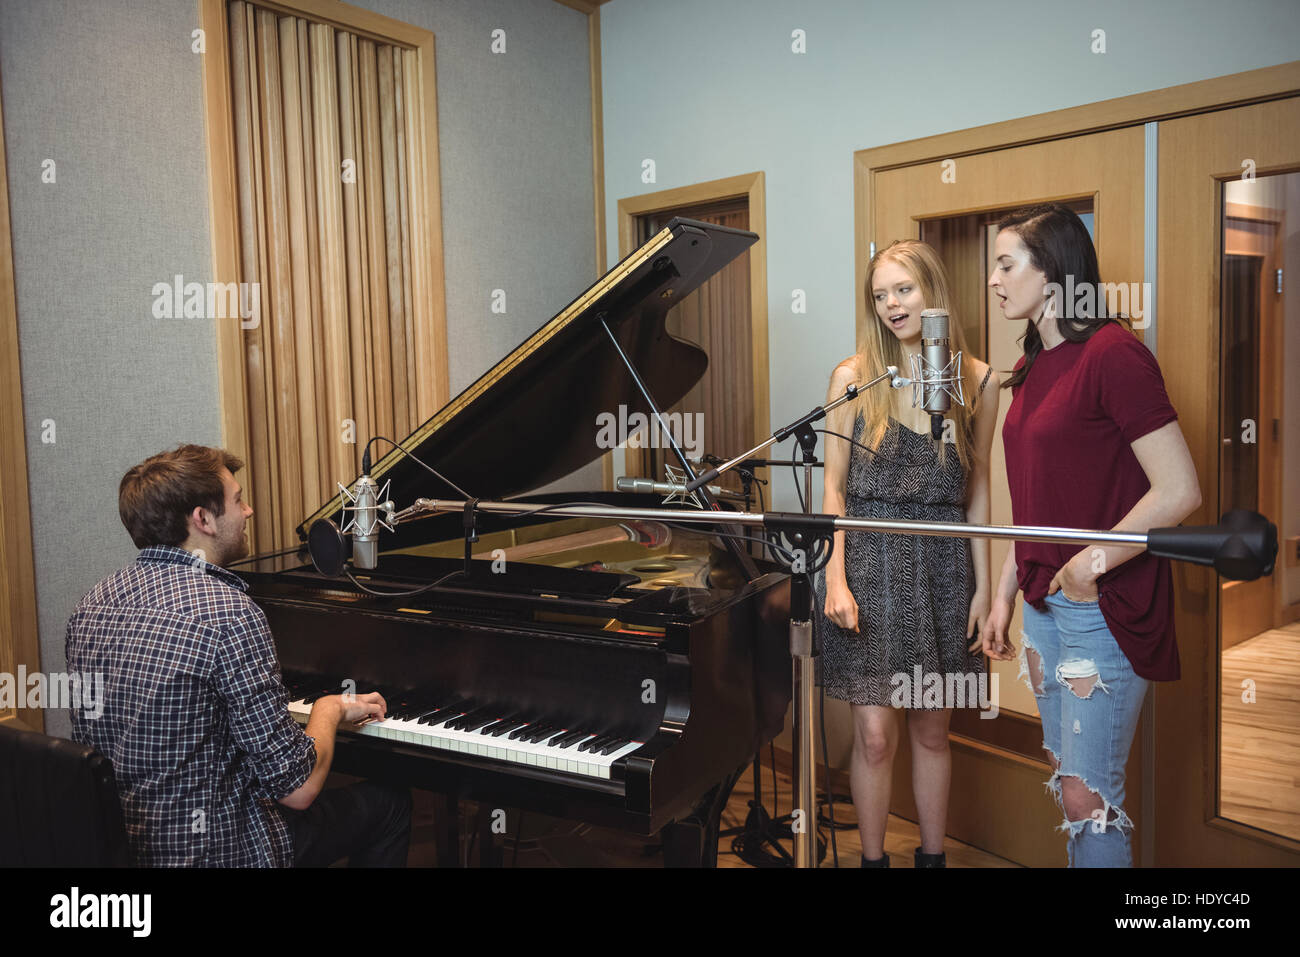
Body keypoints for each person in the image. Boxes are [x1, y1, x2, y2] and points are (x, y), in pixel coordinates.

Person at [981, 203, 1201, 867]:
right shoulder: (1032, 366)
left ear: (1053, 273)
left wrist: (1088, 568)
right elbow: (1033, 504)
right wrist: (1003, 594)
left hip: (1102, 609)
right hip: (1045, 609)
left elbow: (1180, 490)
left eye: (1005, 263)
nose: (993, 279)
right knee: (1069, 777)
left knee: (1087, 793)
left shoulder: (1114, 353)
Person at [66, 444, 411, 867]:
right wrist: (328, 709)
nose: (248, 512)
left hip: (126, 849)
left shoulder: (91, 605)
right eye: (238, 500)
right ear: (203, 519)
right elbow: (298, 789)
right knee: (389, 802)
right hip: (220, 853)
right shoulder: (227, 612)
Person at [819, 240, 999, 868]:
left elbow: (978, 494)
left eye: (904, 290)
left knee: (931, 730)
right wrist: (832, 579)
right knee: (873, 737)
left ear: (933, 291)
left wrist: (984, 589)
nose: (891, 305)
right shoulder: (853, 378)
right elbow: (833, 490)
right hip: (867, 566)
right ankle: (872, 863)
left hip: (944, 569)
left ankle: (932, 860)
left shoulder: (977, 379)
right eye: (879, 295)